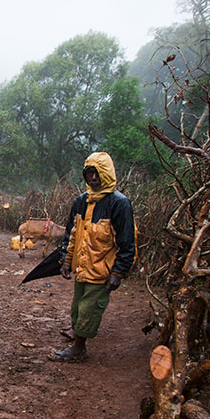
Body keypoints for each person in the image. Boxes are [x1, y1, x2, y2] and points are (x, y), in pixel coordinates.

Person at [53, 152, 135, 362]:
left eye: (97, 174)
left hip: (101, 270)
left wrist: (118, 272)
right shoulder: (81, 201)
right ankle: (77, 333)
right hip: (82, 267)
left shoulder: (119, 204)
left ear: (107, 175)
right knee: (77, 305)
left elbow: (127, 242)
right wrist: (66, 259)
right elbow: (71, 234)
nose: (93, 179)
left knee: (89, 308)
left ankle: (79, 349)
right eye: (89, 174)